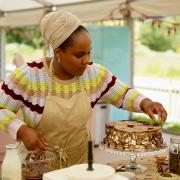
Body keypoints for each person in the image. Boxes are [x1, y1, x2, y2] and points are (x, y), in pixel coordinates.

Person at [0, 10, 167, 168]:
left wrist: (145, 103)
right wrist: (21, 130)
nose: (87, 60)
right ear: (58, 53)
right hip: (37, 167)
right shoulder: (30, 76)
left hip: (78, 165)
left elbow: (121, 93)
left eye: (89, 52)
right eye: (79, 55)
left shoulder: (93, 74)